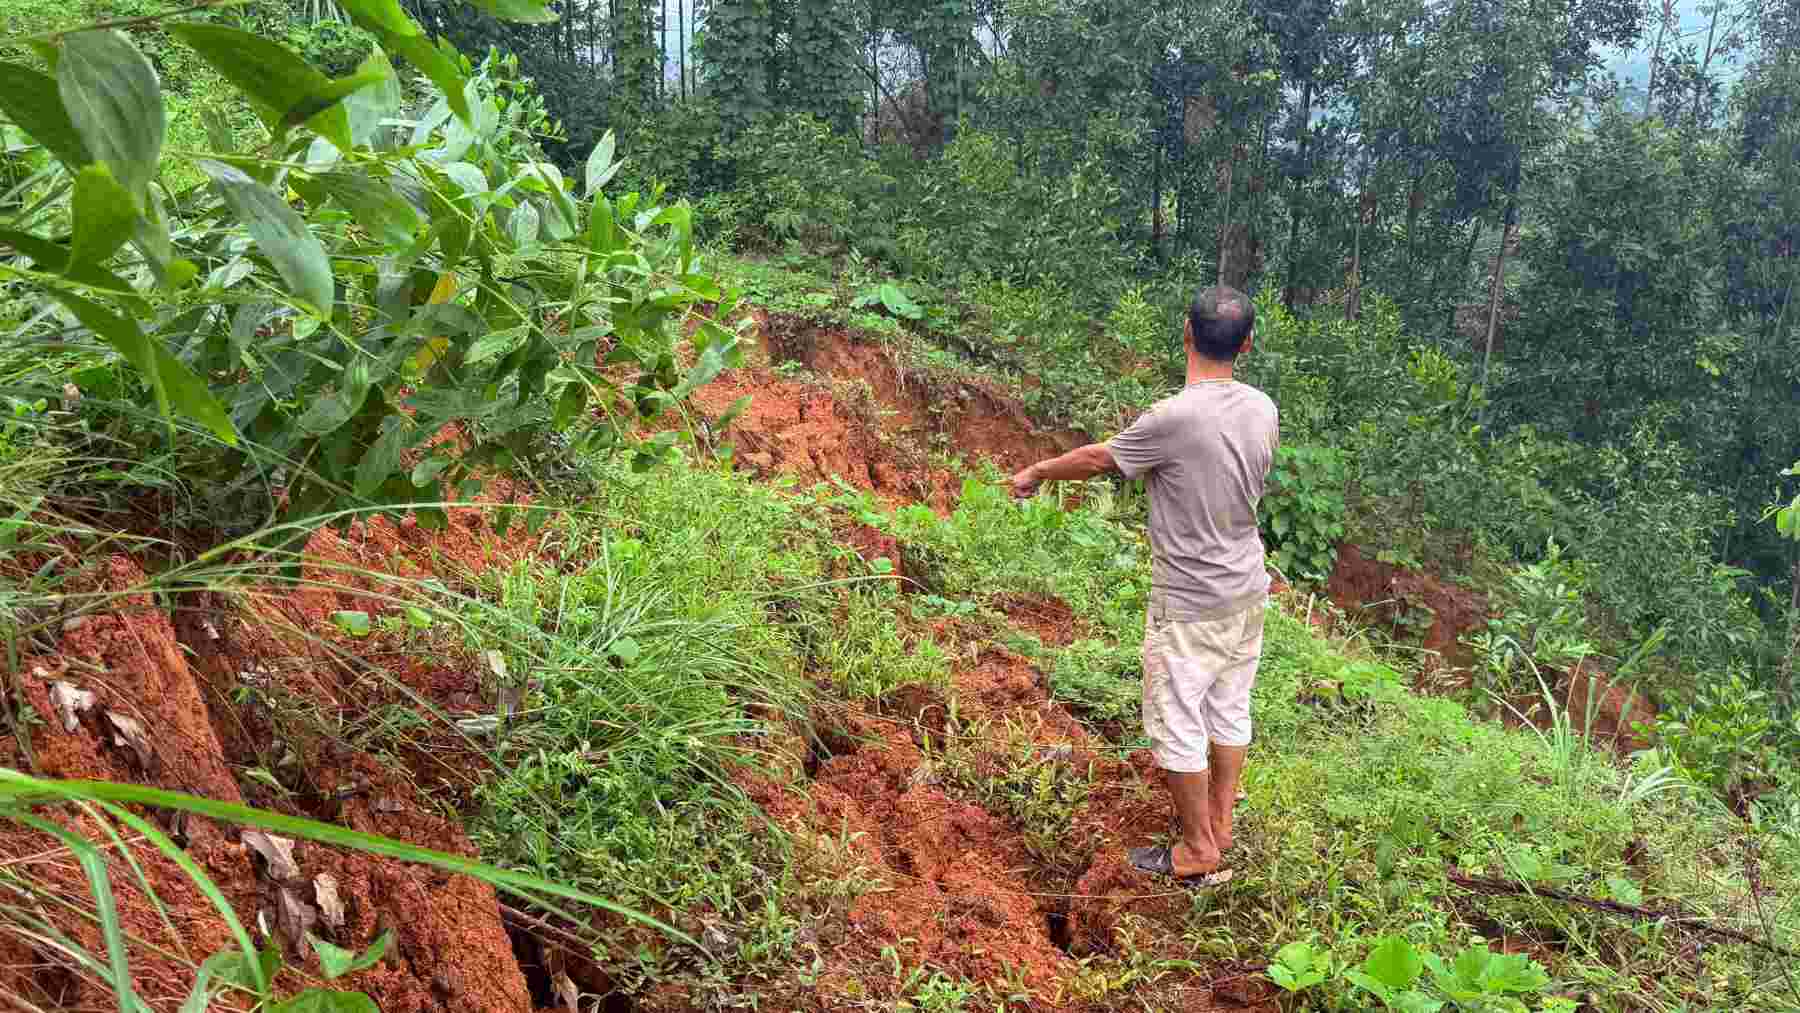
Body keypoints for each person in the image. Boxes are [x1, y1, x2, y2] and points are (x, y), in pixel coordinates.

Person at [1008, 285, 1277, 884]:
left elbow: (1104, 458)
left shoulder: (1174, 418)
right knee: (1229, 708)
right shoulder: (1263, 409)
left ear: (1186, 334)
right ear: (1248, 345)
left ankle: (1198, 851)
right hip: (1246, 588)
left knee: (1176, 717)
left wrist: (1037, 471)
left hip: (1190, 600)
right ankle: (1220, 824)